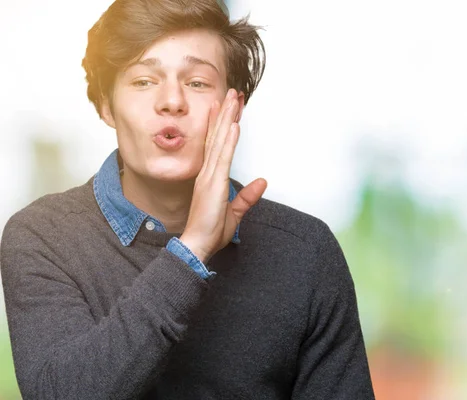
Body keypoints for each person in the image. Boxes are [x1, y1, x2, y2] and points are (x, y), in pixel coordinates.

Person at [0, 0, 375, 398]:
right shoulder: (43, 238)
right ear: (106, 105)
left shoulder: (305, 252)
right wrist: (193, 248)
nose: (172, 101)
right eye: (144, 81)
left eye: (197, 82)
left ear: (235, 106)